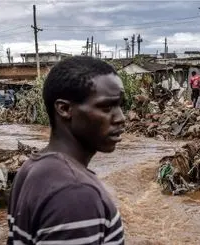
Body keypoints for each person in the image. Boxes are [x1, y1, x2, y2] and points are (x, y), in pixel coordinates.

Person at [7, 56, 125, 245]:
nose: (121, 118)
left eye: (120, 105)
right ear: (64, 109)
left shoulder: (30, 168)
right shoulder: (75, 192)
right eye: (106, 106)